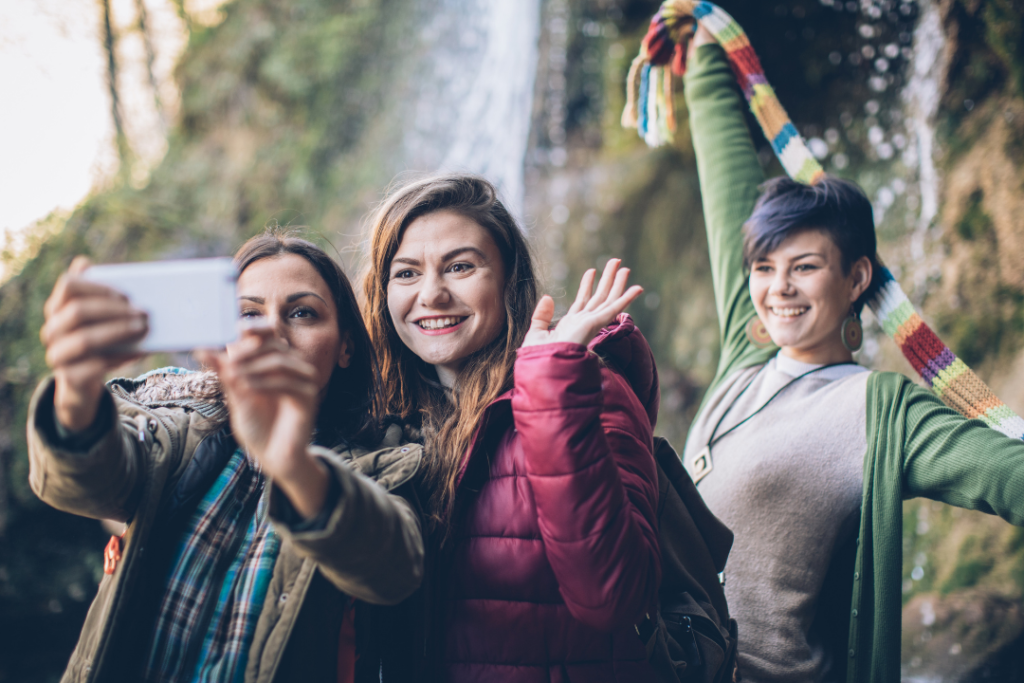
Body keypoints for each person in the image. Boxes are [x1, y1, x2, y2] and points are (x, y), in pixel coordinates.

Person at [681, 26, 1024, 683]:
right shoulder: (744, 354)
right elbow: (725, 187)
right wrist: (703, 47)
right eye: (764, 267)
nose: (777, 288)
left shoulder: (878, 409)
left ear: (857, 278)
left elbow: (1003, 472)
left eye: (804, 267)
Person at [28, 230, 424, 683]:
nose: (270, 330)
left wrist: (293, 463)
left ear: (346, 347)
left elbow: (394, 568)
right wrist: (76, 388)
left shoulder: (387, 463)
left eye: (302, 312)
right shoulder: (171, 428)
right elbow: (85, 482)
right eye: (247, 313)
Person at [360, 174, 661, 681]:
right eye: (406, 273)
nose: (431, 294)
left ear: (509, 281)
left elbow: (614, 598)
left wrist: (553, 385)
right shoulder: (385, 419)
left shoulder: (589, 390)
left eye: (460, 267)